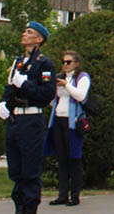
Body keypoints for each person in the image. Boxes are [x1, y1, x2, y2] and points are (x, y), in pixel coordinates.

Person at [0, 21, 57, 214]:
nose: (24, 34)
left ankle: (30, 209)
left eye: (29, 32)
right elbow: (10, 88)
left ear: (39, 39)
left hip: (31, 120)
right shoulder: (18, 62)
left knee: (30, 171)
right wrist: (3, 102)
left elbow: (47, 93)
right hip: (15, 121)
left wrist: (26, 85)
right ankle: (19, 208)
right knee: (16, 170)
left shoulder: (44, 63)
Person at [43, 51, 90, 207]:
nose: (65, 65)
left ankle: (75, 195)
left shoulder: (81, 77)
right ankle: (62, 194)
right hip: (58, 120)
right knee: (61, 159)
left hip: (73, 122)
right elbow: (52, 102)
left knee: (74, 159)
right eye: (63, 62)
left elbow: (81, 96)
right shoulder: (60, 77)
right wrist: (54, 88)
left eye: (68, 62)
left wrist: (66, 86)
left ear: (76, 63)